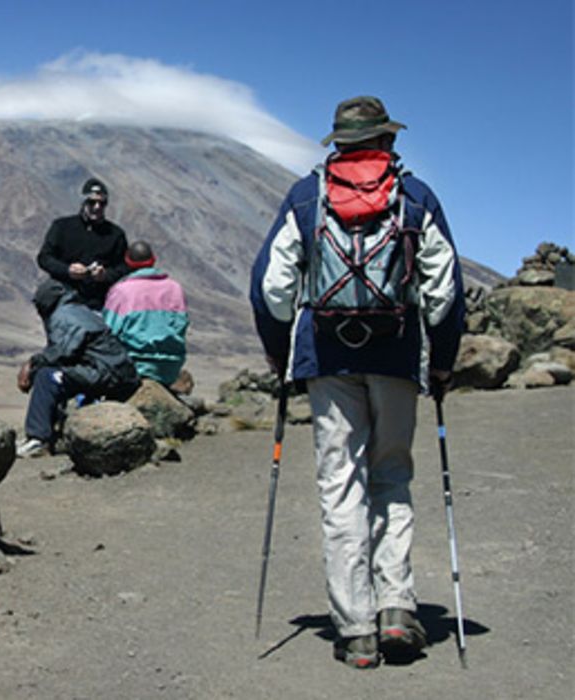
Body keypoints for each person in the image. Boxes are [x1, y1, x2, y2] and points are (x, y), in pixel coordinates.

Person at [249, 96, 465, 669]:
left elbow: (269, 287)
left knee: (340, 486)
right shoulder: (415, 196)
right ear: (387, 142)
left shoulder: (306, 196)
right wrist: (441, 362)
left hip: (327, 359)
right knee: (391, 475)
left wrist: (279, 354)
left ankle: (355, 629)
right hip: (396, 357)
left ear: (338, 143)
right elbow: (445, 293)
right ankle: (397, 610)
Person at [15, 279, 140, 457]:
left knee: (47, 376)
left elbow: (61, 352)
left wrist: (31, 365)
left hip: (107, 373)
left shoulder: (64, 315)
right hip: (114, 371)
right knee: (59, 373)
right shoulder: (77, 310)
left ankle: (38, 439)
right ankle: (50, 433)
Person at [102, 241, 189, 385]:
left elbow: (108, 330)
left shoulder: (122, 291)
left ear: (127, 262)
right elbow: (181, 326)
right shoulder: (175, 288)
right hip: (171, 366)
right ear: (153, 259)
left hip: (134, 364)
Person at [36, 178, 131, 310]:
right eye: (92, 202)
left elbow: (124, 268)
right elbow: (44, 258)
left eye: (102, 203)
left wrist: (105, 275)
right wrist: (67, 270)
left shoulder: (115, 235)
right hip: (63, 299)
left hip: (99, 303)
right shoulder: (62, 227)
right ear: (83, 202)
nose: (97, 207)